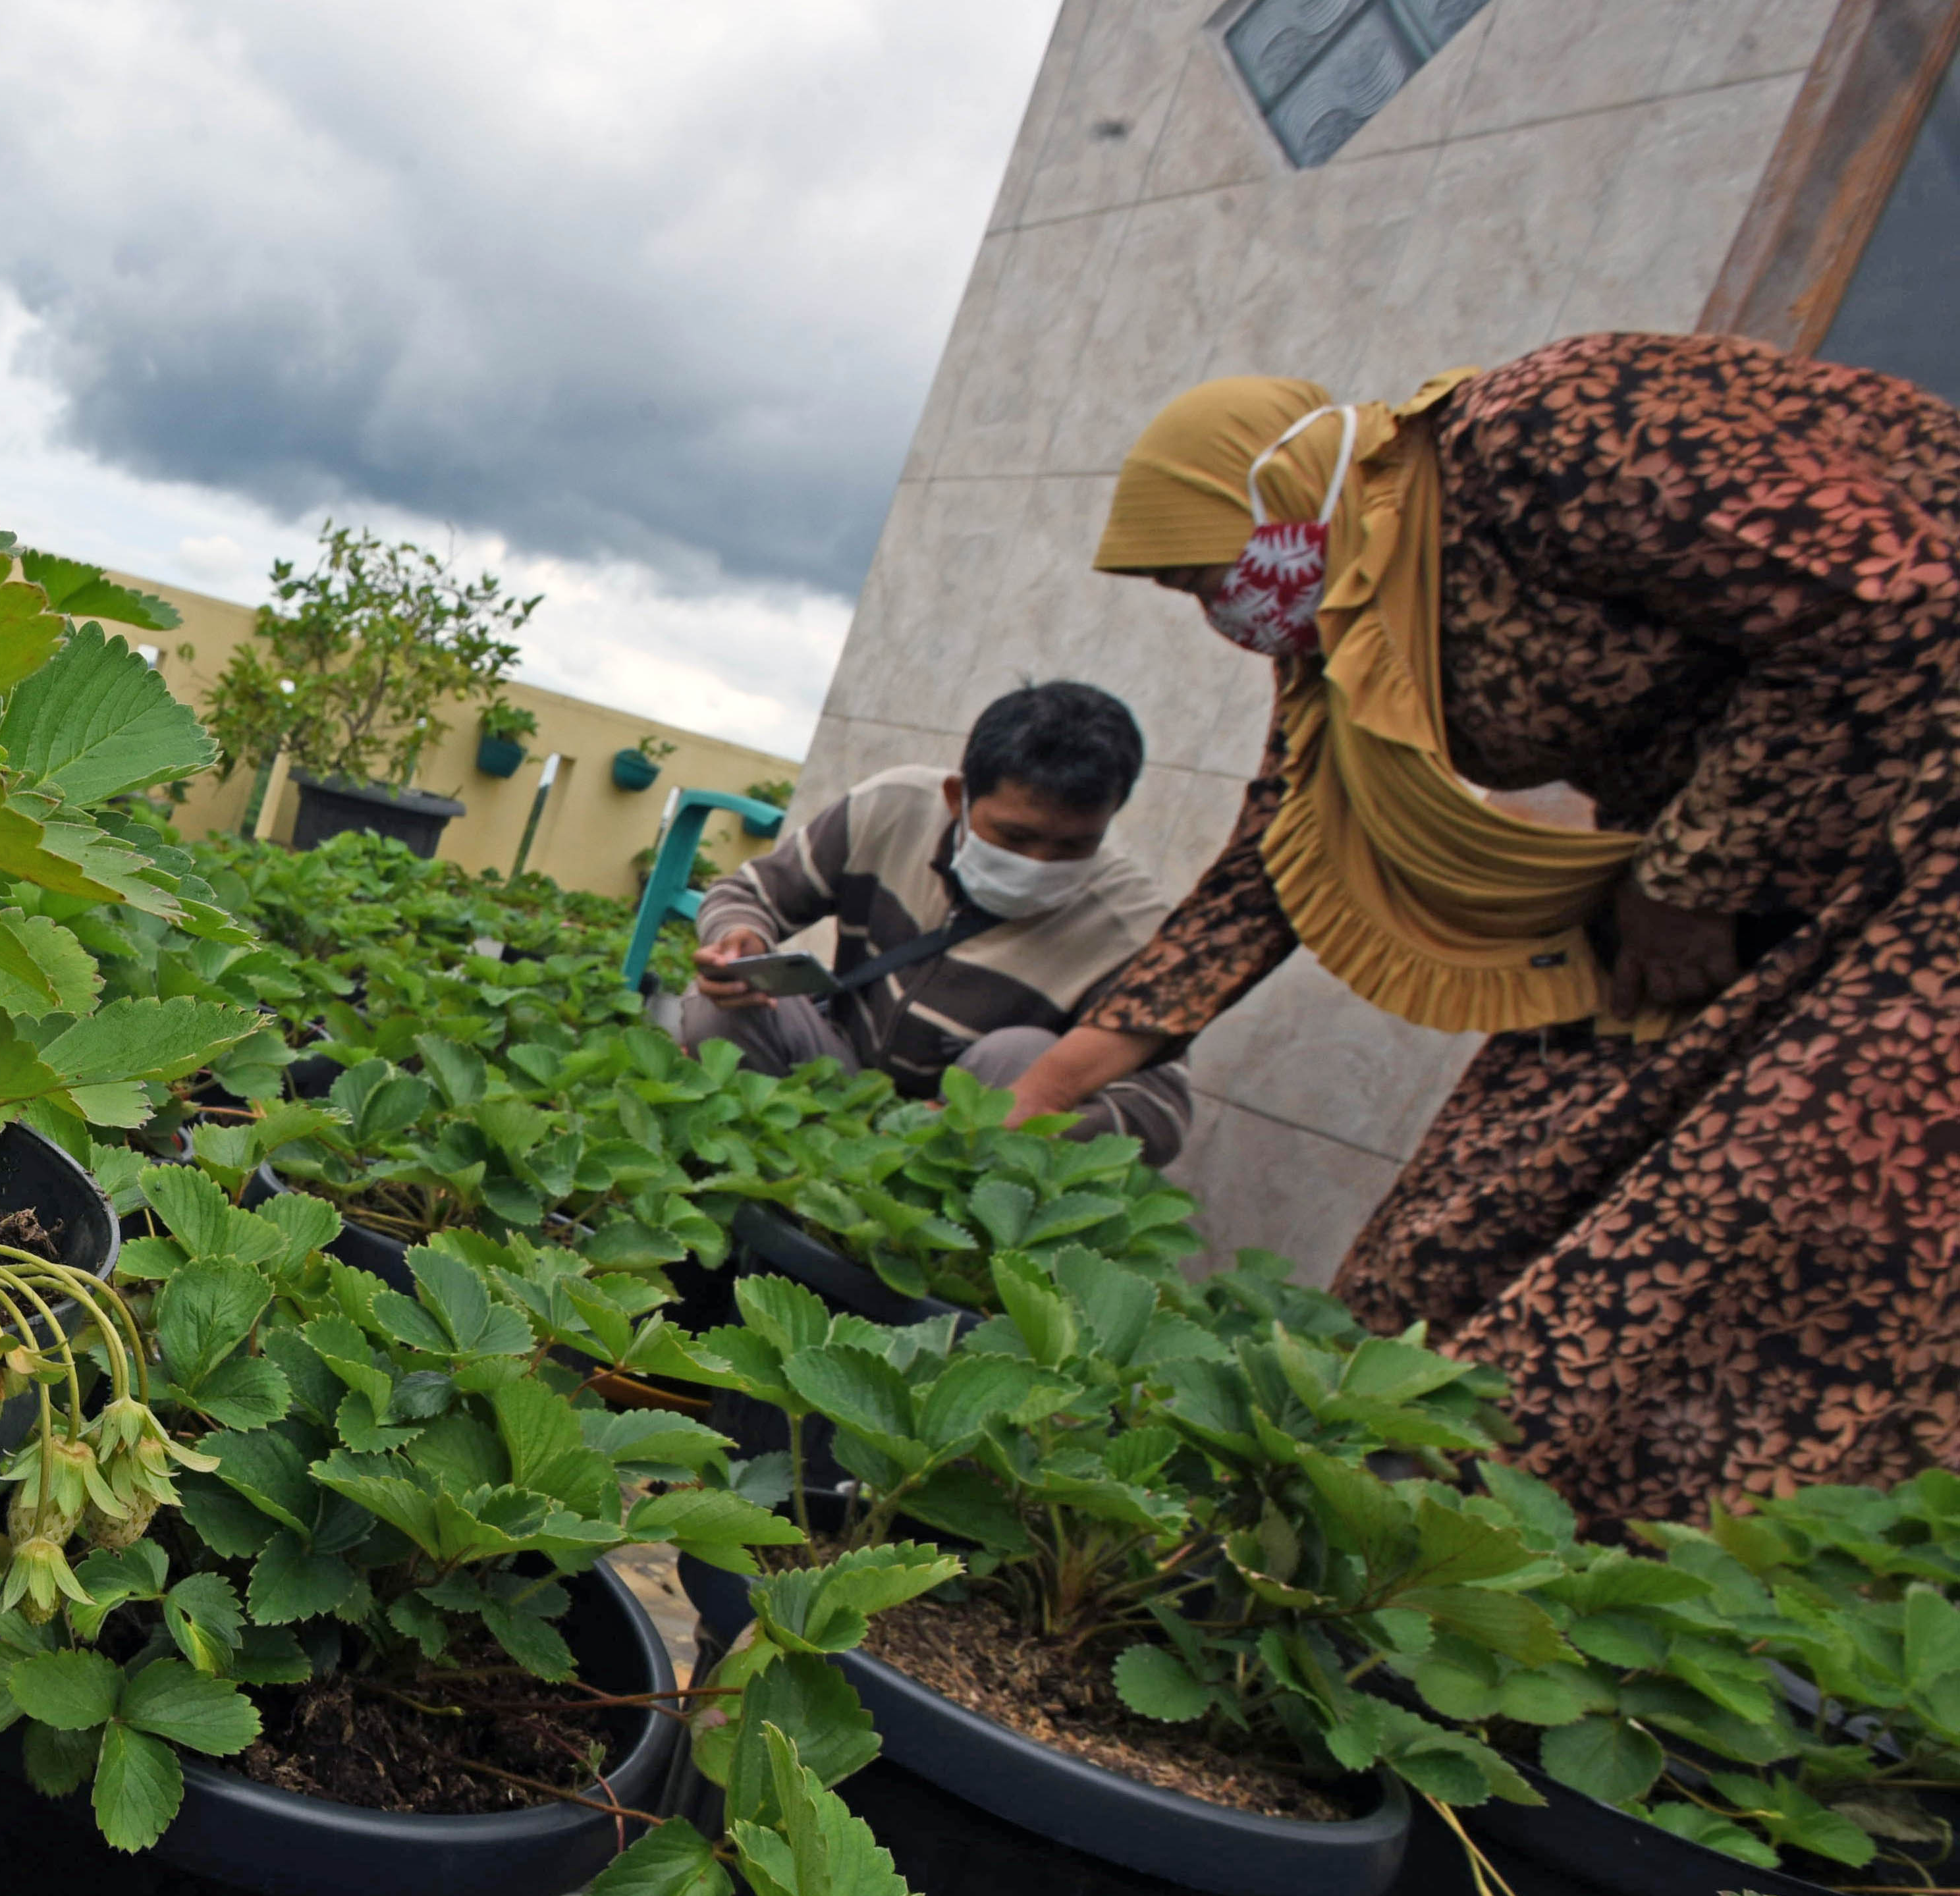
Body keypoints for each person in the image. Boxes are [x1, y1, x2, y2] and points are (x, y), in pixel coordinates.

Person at [1009, 335, 1960, 1523]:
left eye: (1203, 577)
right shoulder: (1351, 619)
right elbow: (1274, 859)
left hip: (1911, 890)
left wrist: (1692, 875)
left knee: (1736, 1263)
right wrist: (1045, 1083)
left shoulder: (1539, 434)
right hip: (1715, 913)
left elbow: (1891, 593)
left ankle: (1617, 1623)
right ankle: (1332, 1549)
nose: (1220, 618)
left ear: (1281, 503)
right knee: (1441, 1247)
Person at [672, 680, 1195, 1163]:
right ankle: (743, 1164)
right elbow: (748, 893)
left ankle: (907, 1236)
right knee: (718, 1009)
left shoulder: (1131, 931)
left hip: (958, 1153)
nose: (1039, 861)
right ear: (956, 799)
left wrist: (1015, 1118)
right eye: (1013, 836)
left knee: (1020, 1053)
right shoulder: (893, 808)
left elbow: (1161, 1113)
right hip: (833, 1073)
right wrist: (738, 941)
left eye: (1073, 845)